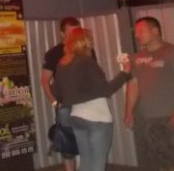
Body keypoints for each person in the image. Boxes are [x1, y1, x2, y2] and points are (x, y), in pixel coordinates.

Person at [53, 27, 132, 171]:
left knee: (86, 163)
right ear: (86, 42)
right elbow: (106, 90)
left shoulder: (61, 63)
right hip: (97, 117)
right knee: (97, 165)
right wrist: (125, 72)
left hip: (76, 117)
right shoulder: (86, 61)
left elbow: (57, 93)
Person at [123, 16, 174, 171]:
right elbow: (133, 84)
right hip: (147, 119)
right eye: (136, 32)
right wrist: (129, 111)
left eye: (141, 31)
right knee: (156, 161)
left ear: (155, 31)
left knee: (169, 160)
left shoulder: (171, 52)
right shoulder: (136, 57)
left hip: (168, 116)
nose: (137, 35)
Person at [41, 17, 83, 171]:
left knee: (86, 140)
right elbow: (45, 80)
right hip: (65, 104)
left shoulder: (86, 50)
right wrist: (54, 102)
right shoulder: (54, 53)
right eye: (71, 32)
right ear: (62, 33)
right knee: (67, 146)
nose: (74, 36)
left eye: (77, 32)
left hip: (86, 103)